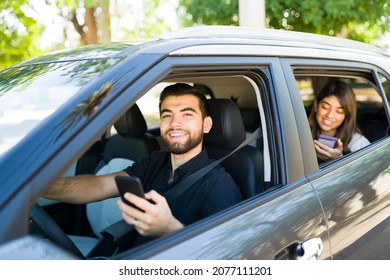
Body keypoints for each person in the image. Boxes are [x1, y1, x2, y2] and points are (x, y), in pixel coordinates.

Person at [44, 83, 242, 246]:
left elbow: (224, 260)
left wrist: (169, 229)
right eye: (167, 115)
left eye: (187, 114)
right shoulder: (155, 161)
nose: (175, 123)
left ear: (206, 125)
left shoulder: (220, 186)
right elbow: (99, 185)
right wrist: (36, 188)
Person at [308, 80, 370, 162]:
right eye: (325, 107)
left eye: (339, 111)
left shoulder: (358, 143)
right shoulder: (300, 134)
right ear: (316, 105)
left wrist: (338, 159)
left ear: (347, 114)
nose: (330, 115)